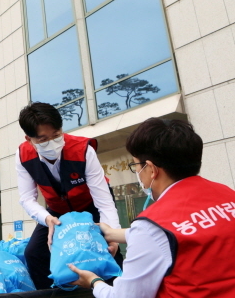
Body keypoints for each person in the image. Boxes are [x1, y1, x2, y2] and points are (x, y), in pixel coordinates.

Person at [69, 118, 235, 297]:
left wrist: (94, 282)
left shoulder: (153, 223)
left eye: (136, 166)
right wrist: (110, 233)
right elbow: (179, 234)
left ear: (151, 169)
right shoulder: (228, 195)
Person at [16, 102, 122, 289]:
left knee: (108, 249)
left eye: (56, 135)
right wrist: (46, 219)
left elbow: (104, 202)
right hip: (56, 212)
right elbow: (26, 198)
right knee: (34, 253)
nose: (52, 142)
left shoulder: (83, 150)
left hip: (91, 205)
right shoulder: (23, 155)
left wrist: (112, 236)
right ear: (29, 138)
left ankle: (117, 290)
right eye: (42, 139)